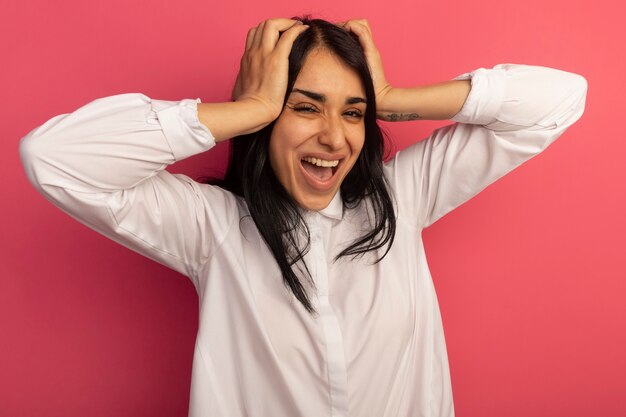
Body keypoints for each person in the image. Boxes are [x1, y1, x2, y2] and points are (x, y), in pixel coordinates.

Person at [19, 16, 587, 417]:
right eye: (304, 106)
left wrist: (392, 96)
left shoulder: (402, 196)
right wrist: (248, 110)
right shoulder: (211, 228)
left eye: (354, 113)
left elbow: (559, 100)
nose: (333, 137)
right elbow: (56, 159)